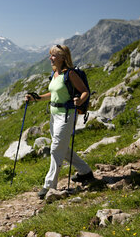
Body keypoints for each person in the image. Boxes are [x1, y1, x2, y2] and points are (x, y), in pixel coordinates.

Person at [26, 44, 94, 199]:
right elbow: (53, 93)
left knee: (56, 148)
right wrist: (37, 97)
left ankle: (49, 185)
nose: (50, 58)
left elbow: (85, 91)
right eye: (50, 55)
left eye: (54, 55)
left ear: (63, 57)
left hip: (67, 115)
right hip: (54, 115)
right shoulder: (55, 73)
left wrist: (78, 101)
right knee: (62, 148)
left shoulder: (70, 74)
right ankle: (85, 171)